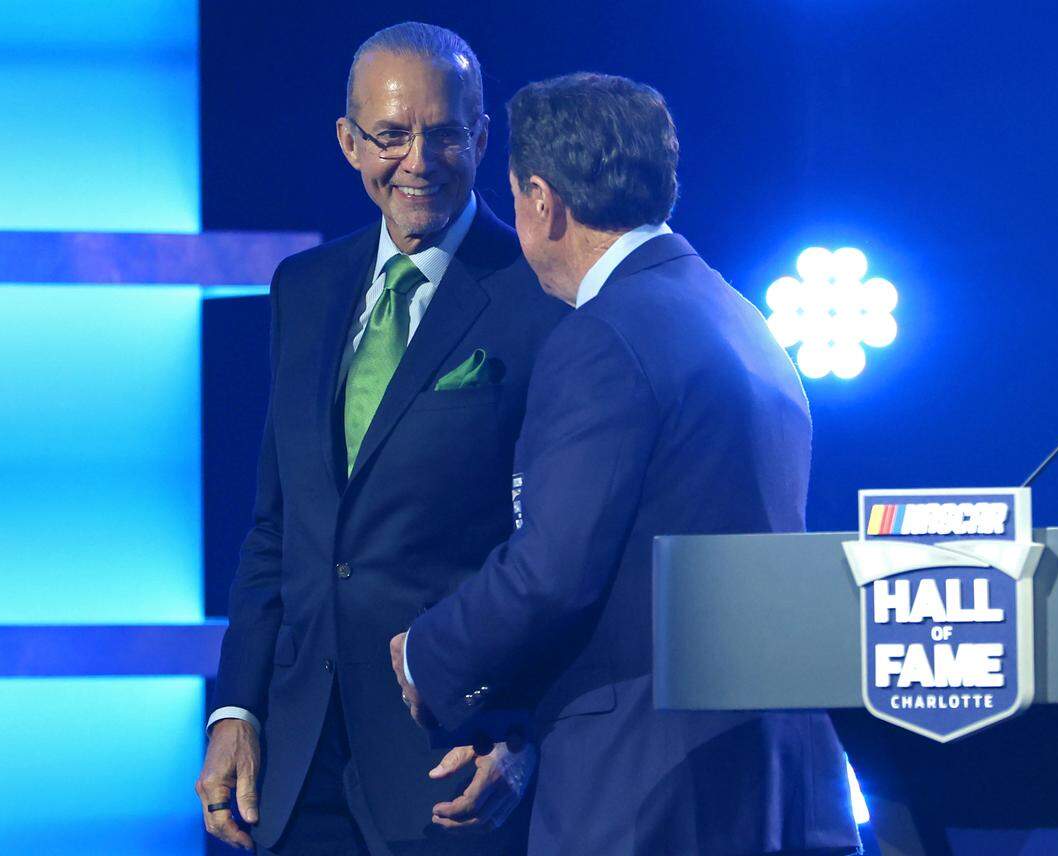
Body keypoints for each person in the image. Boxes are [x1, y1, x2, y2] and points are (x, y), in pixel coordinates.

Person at [392, 73, 863, 855]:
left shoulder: (602, 337)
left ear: (542, 201)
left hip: (648, 789)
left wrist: (427, 652)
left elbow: (553, 571)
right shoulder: (740, 318)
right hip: (772, 780)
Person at [196, 23, 566, 855]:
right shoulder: (305, 286)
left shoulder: (541, 299)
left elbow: (562, 554)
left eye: (443, 134)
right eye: (392, 136)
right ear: (348, 141)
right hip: (295, 763)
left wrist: (522, 733)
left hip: (453, 763)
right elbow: (276, 527)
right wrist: (237, 708)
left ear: (480, 137)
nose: (418, 161)